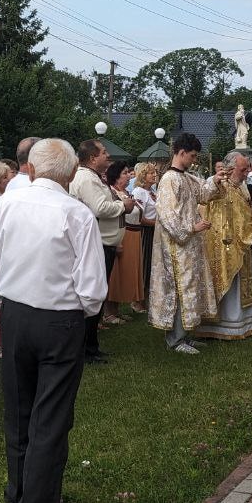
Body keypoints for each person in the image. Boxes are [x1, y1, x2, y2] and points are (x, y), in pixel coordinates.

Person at [0, 138, 107, 503]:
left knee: (19, 412)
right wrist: (77, 311)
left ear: (32, 170)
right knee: (50, 420)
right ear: (70, 173)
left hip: (16, 314)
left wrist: (6, 291)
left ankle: (20, 500)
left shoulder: (7, 204)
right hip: (59, 319)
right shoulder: (76, 214)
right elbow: (92, 287)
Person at [149, 133, 224, 355]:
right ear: (181, 152)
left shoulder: (187, 178)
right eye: (192, 156)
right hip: (176, 245)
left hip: (190, 244)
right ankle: (175, 339)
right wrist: (192, 228)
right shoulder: (169, 180)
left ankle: (185, 335)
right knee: (180, 288)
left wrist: (216, 179)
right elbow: (167, 215)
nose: (194, 160)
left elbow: (203, 193)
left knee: (190, 287)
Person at [69, 141, 134, 364]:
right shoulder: (87, 179)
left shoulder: (92, 177)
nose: (108, 155)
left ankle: (91, 346)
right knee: (93, 296)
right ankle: (86, 349)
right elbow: (100, 208)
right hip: (98, 244)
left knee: (96, 296)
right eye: (104, 152)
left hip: (103, 243)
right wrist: (124, 206)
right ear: (92, 158)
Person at [195, 151, 252, 340]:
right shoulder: (217, 187)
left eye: (247, 169)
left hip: (242, 244)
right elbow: (209, 213)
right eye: (243, 170)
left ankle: (241, 324)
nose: (247, 173)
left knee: (242, 282)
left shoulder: (242, 188)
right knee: (227, 284)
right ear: (231, 169)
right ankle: (223, 326)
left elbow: (245, 214)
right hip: (222, 247)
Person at [105, 161, 144, 321]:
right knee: (115, 273)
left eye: (129, 173)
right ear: (116, 176)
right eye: (125, 173)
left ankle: (116, 310)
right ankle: (108, 312)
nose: (129, 176)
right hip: (122, 235)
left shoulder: (127, 192)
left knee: (124, 273)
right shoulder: (111, 192)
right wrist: (118, 241)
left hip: (134, 234)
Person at [130, 162, 159, 314]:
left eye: (155, 172)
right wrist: (157, 224)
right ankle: (137, 301)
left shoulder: (152, 191)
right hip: (146, 231)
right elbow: (139, 217)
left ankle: (147, 299)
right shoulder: (139, 192)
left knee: (151, 266)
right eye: (151, 173)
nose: (154, 175)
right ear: (143, 176)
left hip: (154, 231)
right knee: (144, 265)